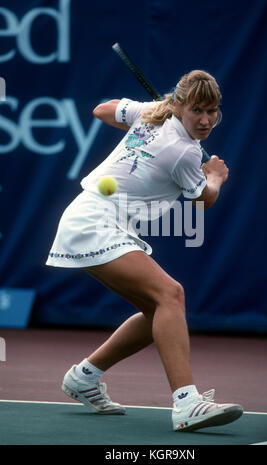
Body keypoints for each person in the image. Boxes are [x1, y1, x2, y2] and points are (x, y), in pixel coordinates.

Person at [46, 70, 243, 431]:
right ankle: (187, 403)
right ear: (180, 104)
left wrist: (150, 112)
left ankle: (84, 377)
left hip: (95, 220)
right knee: (171, 294)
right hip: (95, 222)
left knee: (157, 310)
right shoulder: (184, 150)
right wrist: (215, 174)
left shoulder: (154, 114)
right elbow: (203, 199)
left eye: (212, 111)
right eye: (197, 110)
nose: (205, 120)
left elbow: (103, 111)